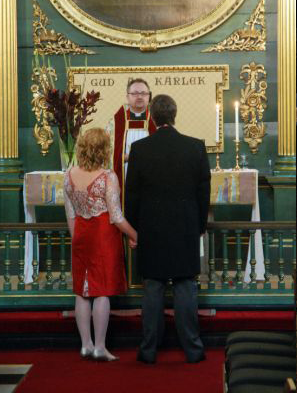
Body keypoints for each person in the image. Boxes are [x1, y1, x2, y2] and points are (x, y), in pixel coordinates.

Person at [125, 94, 211, 364]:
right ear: (175, 115)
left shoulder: (140, 150)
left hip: (151, 229)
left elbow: (132, 195)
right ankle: (193, 350)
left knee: (152, 289)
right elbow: (203, 193)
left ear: (152, 116)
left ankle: (149, 349)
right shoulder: (195, 147)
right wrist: (198, 226)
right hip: (185, 227)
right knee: (186, 286)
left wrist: (135, 230)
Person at [64, 128, 137, 362]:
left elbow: (70, 215)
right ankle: (100, 347)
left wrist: (78, 239)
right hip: (103, 236)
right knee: (102, 290)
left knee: (82, 291)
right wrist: (135, 234)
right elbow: (116, 216)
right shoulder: (108, 177)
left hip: (81, 235)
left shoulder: (69, 175)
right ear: (105, 150)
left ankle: (85, 344)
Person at [106, 78, 156, 205]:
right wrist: (123, 158)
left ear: (149, 96)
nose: (139, 96)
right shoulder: (115, 121)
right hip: (124, 174)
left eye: (144, 93)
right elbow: (107, 150)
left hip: (150, 175)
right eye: (135, 93)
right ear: (127, 97)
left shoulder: (157, 119)